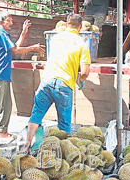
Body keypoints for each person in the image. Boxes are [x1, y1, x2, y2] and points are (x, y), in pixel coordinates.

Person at [22, 13, 91, 153]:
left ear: (66, 25)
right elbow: (85, 72)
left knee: (36, 114)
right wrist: (80, 80)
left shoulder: (55, 38)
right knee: (64, 123)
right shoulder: (82, 44)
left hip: (46, 80)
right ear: (80, 27)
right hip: (64, 85)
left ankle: (27, 145)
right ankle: (62, 152)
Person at [0, 12, 45, 144]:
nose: (11, 23)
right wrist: (33, 48)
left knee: (7, 105)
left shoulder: (5, 35)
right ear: (1, 22)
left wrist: (23, 32)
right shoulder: (0, 34)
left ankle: (1, 131)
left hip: (4, 75)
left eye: (11, 20)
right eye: (8, 20)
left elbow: (15, 47)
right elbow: (16, 50)